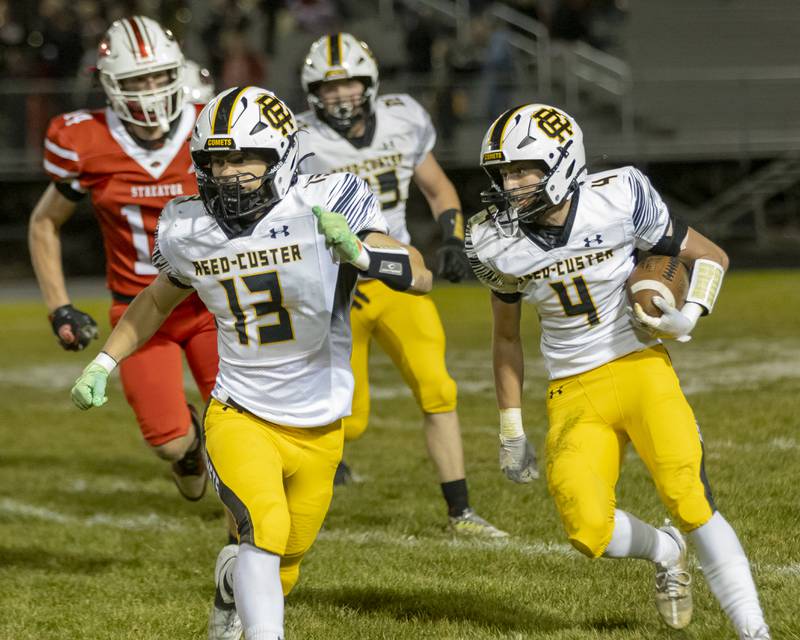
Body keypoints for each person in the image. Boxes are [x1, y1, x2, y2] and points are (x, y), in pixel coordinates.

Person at [69, 86, 432, 640]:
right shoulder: (189, 226)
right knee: (263, 528)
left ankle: (228, 584)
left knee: (286, 558)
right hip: (241, 411)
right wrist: (104, 361)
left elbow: (421, 274)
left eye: (244, 158)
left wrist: (363, 254)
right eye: (216, 160)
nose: (229, 172)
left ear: (282, 156)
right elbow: (155, 300)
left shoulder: (327, 199)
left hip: (320, 419)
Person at [465, 102, 771, 640]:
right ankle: (664, 550)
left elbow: (712, 257)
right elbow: (506, 335)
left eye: (520, 170)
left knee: (689, 497)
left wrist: (686, 314)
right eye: (503, 173)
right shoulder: (493, 239)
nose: (509, 185)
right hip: (571, 389)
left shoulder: (619, 195)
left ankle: (755, 631)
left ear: (560, 164)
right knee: (587, 529)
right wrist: (511, 425)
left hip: (638, 365)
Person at [296, 32, 506, 538]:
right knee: (354, 419)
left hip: (396, 277)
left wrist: (454, 237)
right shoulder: (297, 140)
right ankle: (282, 486)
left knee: (438, 389)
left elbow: (436, 187)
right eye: (329, 88)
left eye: (349, 84)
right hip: (339, 290)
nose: (341, 96)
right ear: (312, 94)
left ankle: (461, 512)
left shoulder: (402, 118)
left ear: (369, 85)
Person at [28, 16, 215, 502]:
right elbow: (44, 222)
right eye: (136, 80)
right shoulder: (84, 139)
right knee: (169, 442)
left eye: (158, 76)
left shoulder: (211, 126)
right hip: (137, 308)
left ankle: (243, 556)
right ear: (111, 84)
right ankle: (191, 447)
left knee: (241, 432)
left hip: (211, 304)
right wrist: (59, 307)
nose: (150, 91)